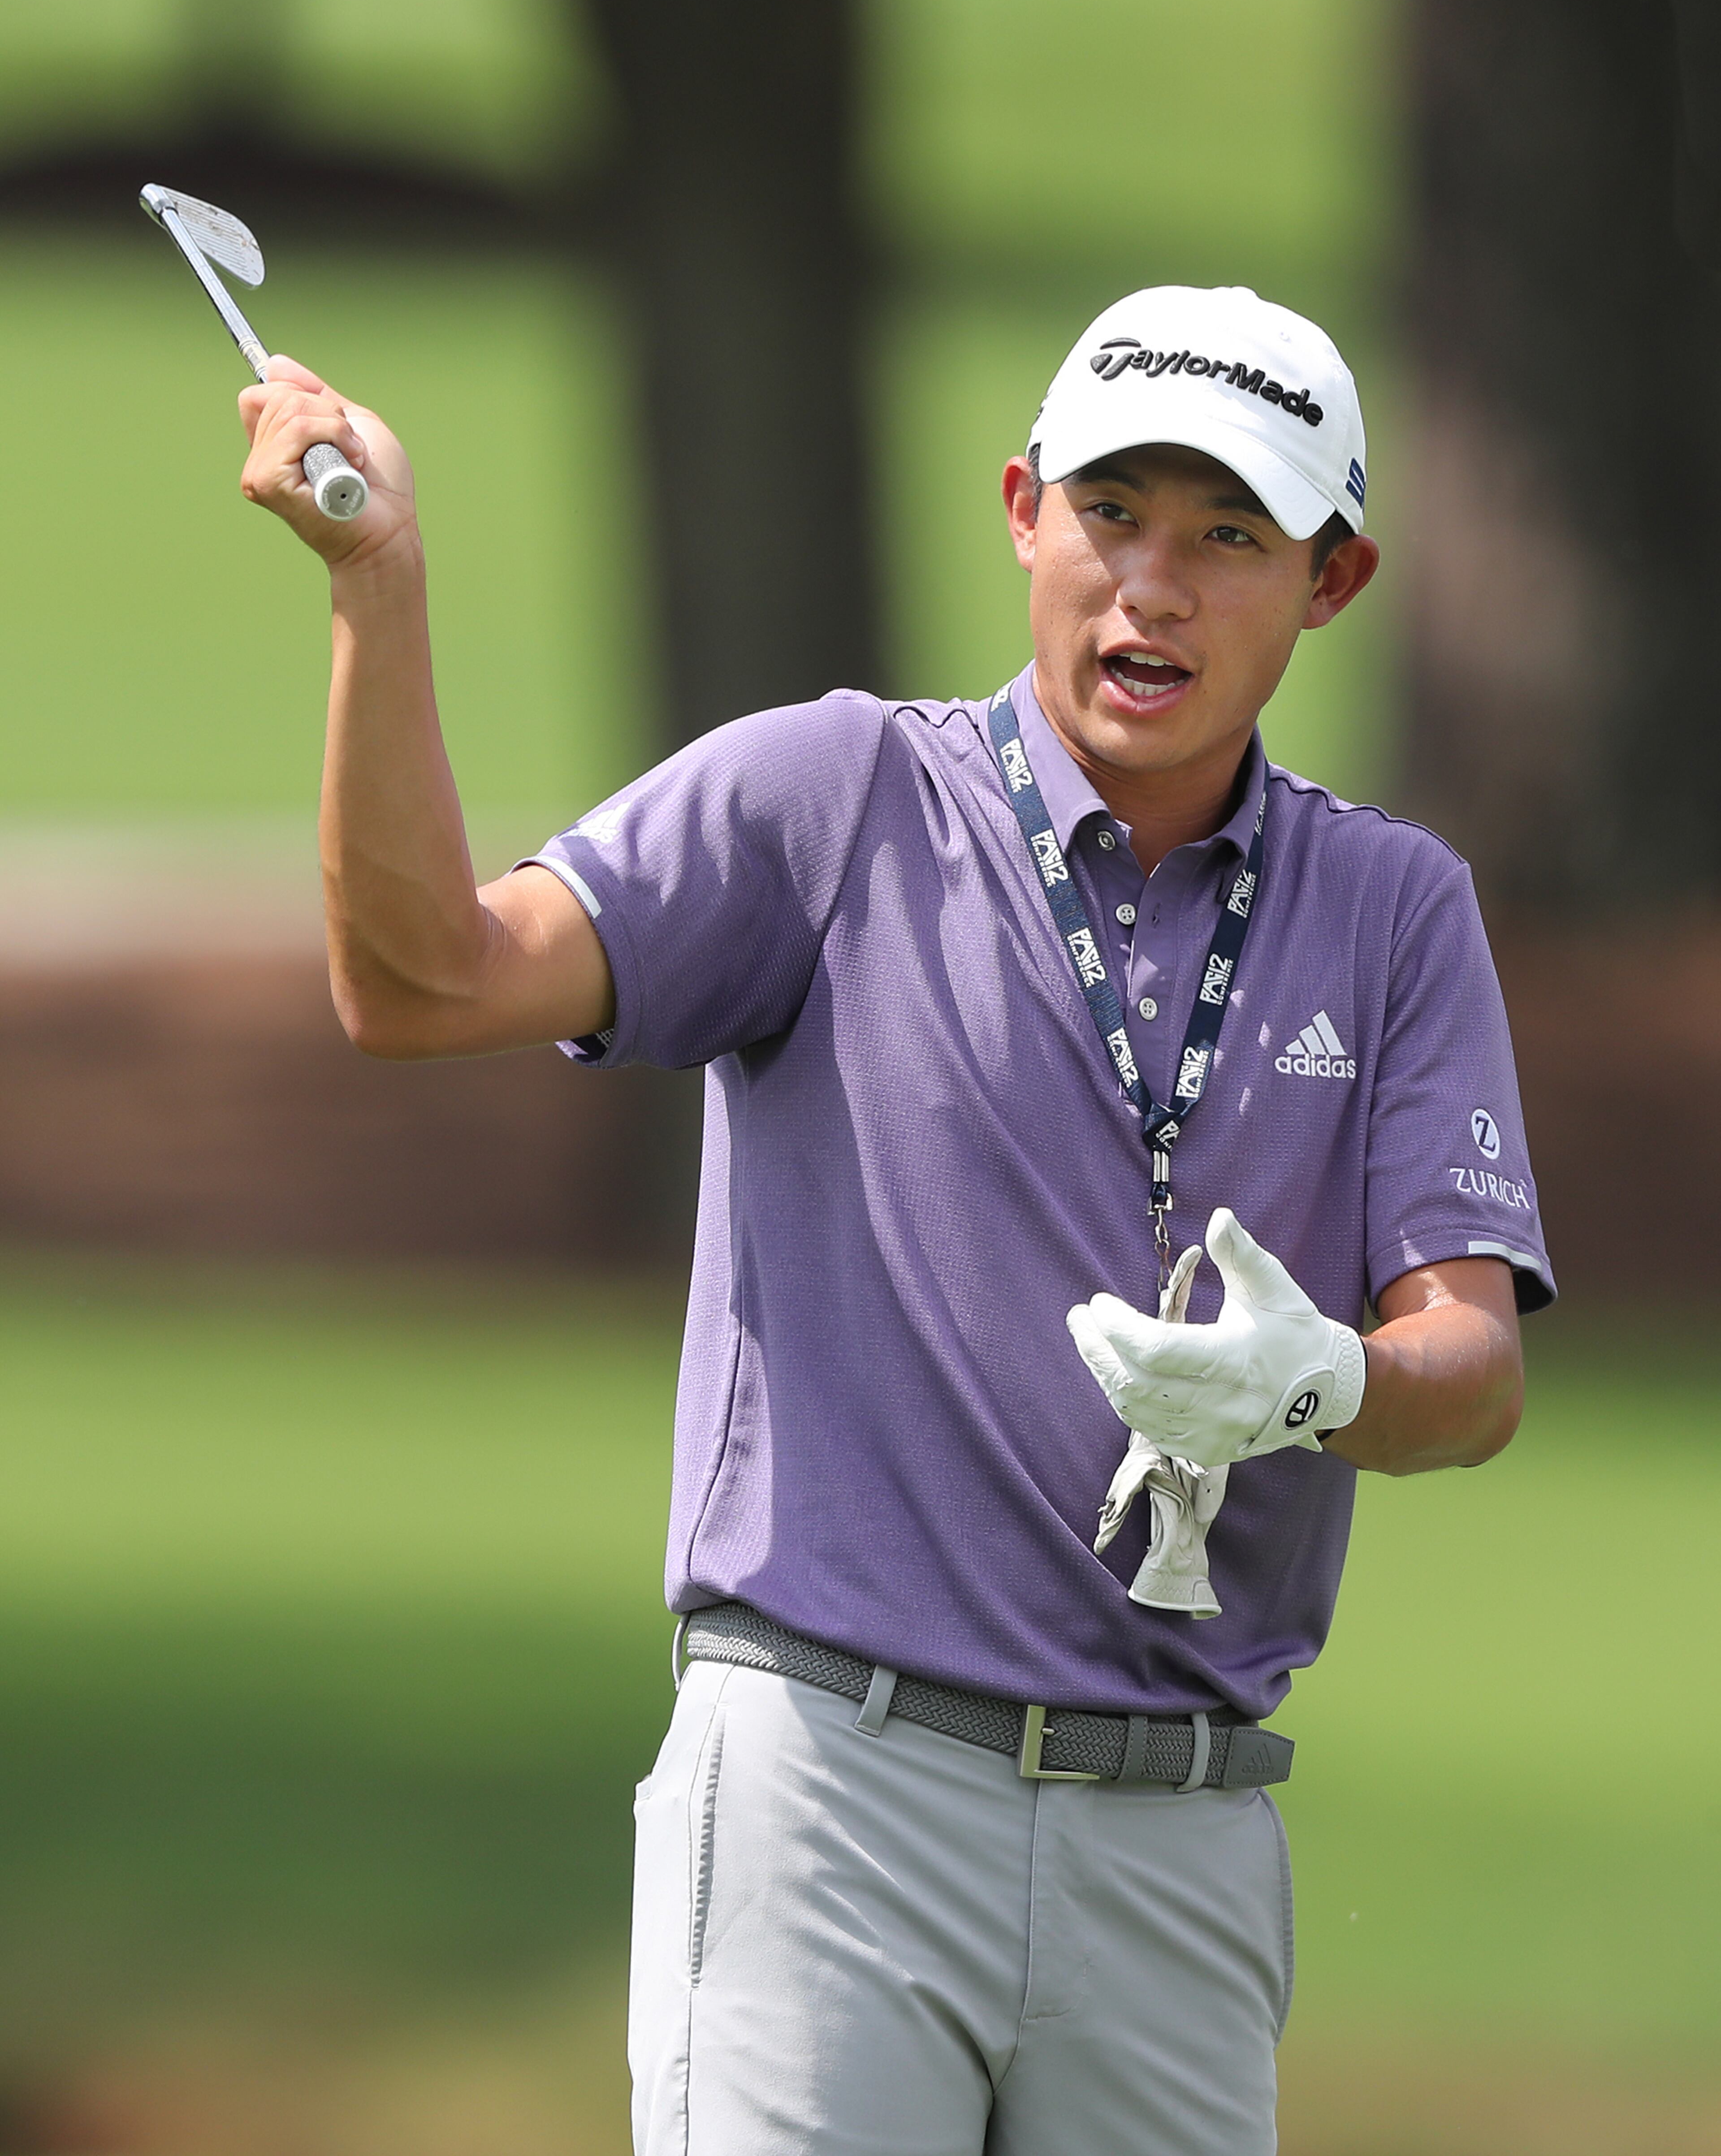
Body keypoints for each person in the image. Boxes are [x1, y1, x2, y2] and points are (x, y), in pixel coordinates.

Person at [237, 282, 1551, 2156]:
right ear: (1023, 508)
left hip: (1178, 1837)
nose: (1151, 590)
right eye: (1112, 516)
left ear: (1332, 582)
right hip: (833, 1800)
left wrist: (1319, 1379)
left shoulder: (1396, 908)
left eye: (1229, 537)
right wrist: (383, 587)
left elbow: (1474, 1366)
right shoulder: (831, 797)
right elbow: (425, 979)